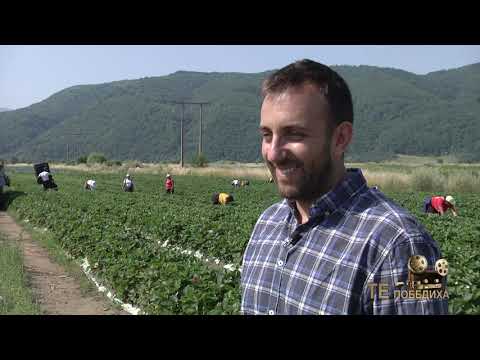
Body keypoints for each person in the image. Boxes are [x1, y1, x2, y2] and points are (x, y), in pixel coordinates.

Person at [240, 59, 448, 315]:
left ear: (340, 139)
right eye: (267, 135)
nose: (273, 153)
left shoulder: (405, 243)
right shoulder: (267, 224)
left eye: (294, 134)